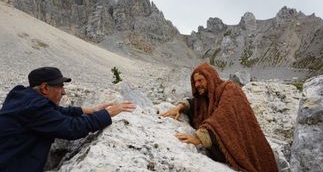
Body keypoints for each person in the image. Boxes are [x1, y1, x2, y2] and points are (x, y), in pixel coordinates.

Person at [0, 67, 136, 171]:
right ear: (45, 88)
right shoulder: (35, 108)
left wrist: (88, 110)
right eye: (60, 86)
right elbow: (72, 128)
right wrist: (108, 113)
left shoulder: (23, 96)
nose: (64, 92)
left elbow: (55, 112)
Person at [161, 63, 278, 172]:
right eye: (195, 82)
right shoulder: (206, 97)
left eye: (200, 80)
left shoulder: (230, 89)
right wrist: (180, 106)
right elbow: (194, 104)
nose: (196, 85)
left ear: (210, 79)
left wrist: (199, 138)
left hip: (246, 147)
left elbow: (223, 117)